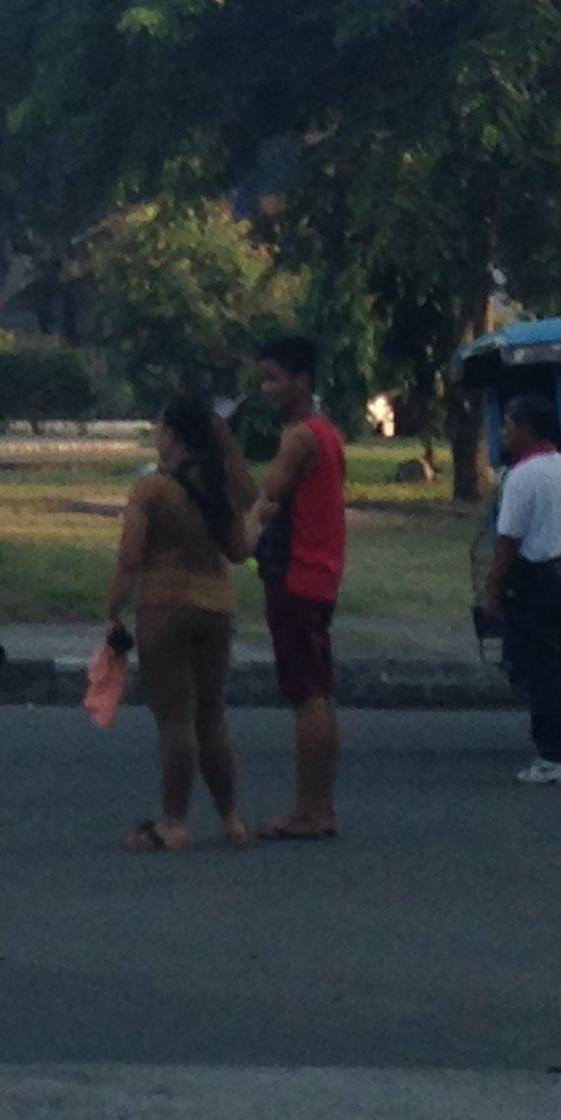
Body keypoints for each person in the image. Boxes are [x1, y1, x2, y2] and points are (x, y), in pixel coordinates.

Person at [103, 394, 256, 855]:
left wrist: (112, 611)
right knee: (212, 717)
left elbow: (129, 558)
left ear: (170, 434)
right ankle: (232, 820)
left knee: (175, 720)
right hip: (216, 607)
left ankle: (174, 823)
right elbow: (240, 551)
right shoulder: (216, 485)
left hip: (164, 608)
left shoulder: (152, 489)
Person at [233, 333, 347, 839]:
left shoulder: (300, 437)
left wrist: (239, 538)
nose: (267, 389)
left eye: (274, 378)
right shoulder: (327, 433)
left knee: (306, 695)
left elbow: (268, 497)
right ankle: (316, 806)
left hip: (296, 575)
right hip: (318, 574)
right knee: (316, 690)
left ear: (300, 380)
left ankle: (310, 809)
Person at [484, 394, 561, 787]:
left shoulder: (522, 476)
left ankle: (553, 754)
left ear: (525, 429)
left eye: (507, 425)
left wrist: (493, 590)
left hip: (535, 580)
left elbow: (507, 542)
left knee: (542, 670)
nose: (503, 433)